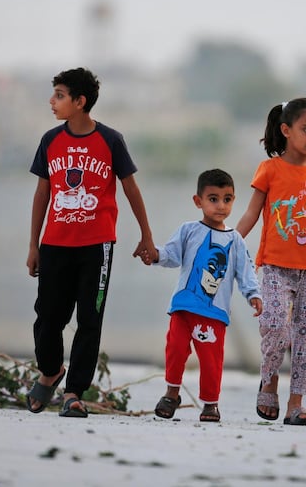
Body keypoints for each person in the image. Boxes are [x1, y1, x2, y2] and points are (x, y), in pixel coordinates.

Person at [25, 67, 156, 417]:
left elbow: (130, 188)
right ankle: (51, 369)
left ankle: (74, 393)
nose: (52, 101)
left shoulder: (111, 140)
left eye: (60, 95)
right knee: (47, 318)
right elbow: (42, 193)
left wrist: (146, 234)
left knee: (89, 318)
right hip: (55, 244)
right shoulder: (50, 140)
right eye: (54, 94)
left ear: (80, 102)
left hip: (97, 247)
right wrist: (33, 244)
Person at [236, 98, 306, 427]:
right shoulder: (269, 170)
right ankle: (268, 379)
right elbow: (252, 213)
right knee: (274, 325)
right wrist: (228, 242)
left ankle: (294, 405)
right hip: (273, 266)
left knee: (305, 338)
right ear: (286, 130)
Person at [140, 169, 263, 422]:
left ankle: (210, 404)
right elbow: (171, 255)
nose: (221, 205)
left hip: (214, 313)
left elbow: (246, 271)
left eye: (227, 199)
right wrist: (153, 254)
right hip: (183, 307)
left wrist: (253, 294)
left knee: (211, 361)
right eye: (213, 198)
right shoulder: (188, 230)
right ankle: (171, 394)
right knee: (174, 350)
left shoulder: (236, 240)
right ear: (198, 201)